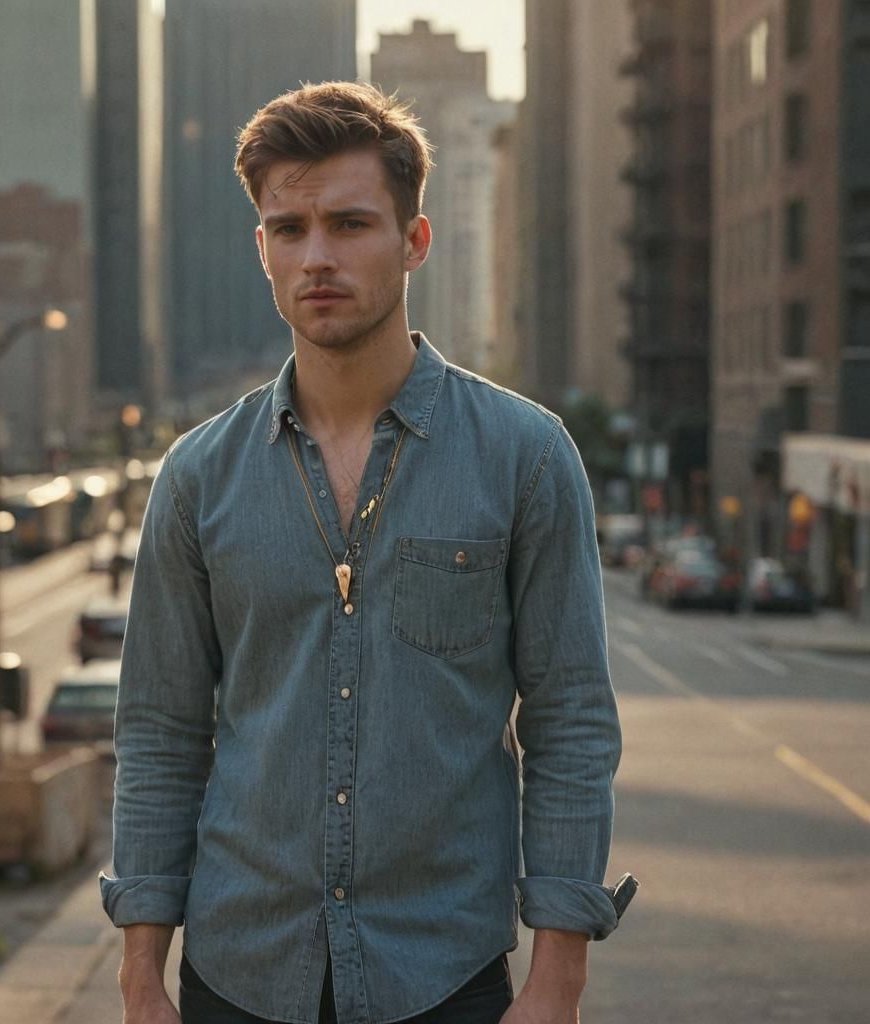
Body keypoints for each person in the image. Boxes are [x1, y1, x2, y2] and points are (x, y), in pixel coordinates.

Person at [101, 80, 635, 1024]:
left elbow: (571, 722)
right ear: (260, 248)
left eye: (350, 224)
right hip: (238, 974)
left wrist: (561, 975)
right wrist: (141, 971)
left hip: (445, 973)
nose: (317, 257)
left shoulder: (525, 455)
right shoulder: (196, 476)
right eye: (289, 228)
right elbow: (160, 730)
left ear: (415, 241)